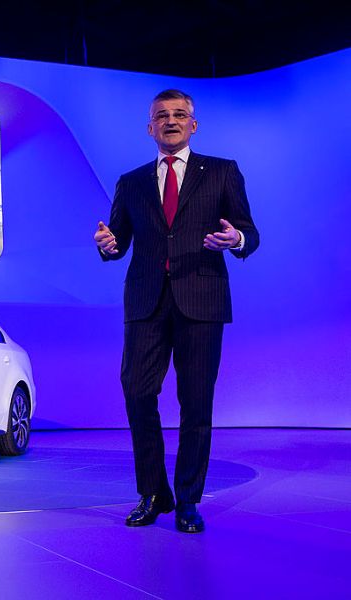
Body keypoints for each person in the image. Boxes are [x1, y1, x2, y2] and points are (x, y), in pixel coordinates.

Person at [94, 89, 259, 533]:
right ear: (150, 127)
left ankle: (187, 500)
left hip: (201, 300)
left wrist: (236, 240)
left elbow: (248, 231)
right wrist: (109, 246)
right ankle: (153, 492)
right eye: (162, 116)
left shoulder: (222, 172)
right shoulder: (131, 182)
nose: (171, 120)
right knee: (137, 392)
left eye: (180, 114)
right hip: (146, 302)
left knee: (196, 403)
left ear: (193, 124)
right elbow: (118, 240)